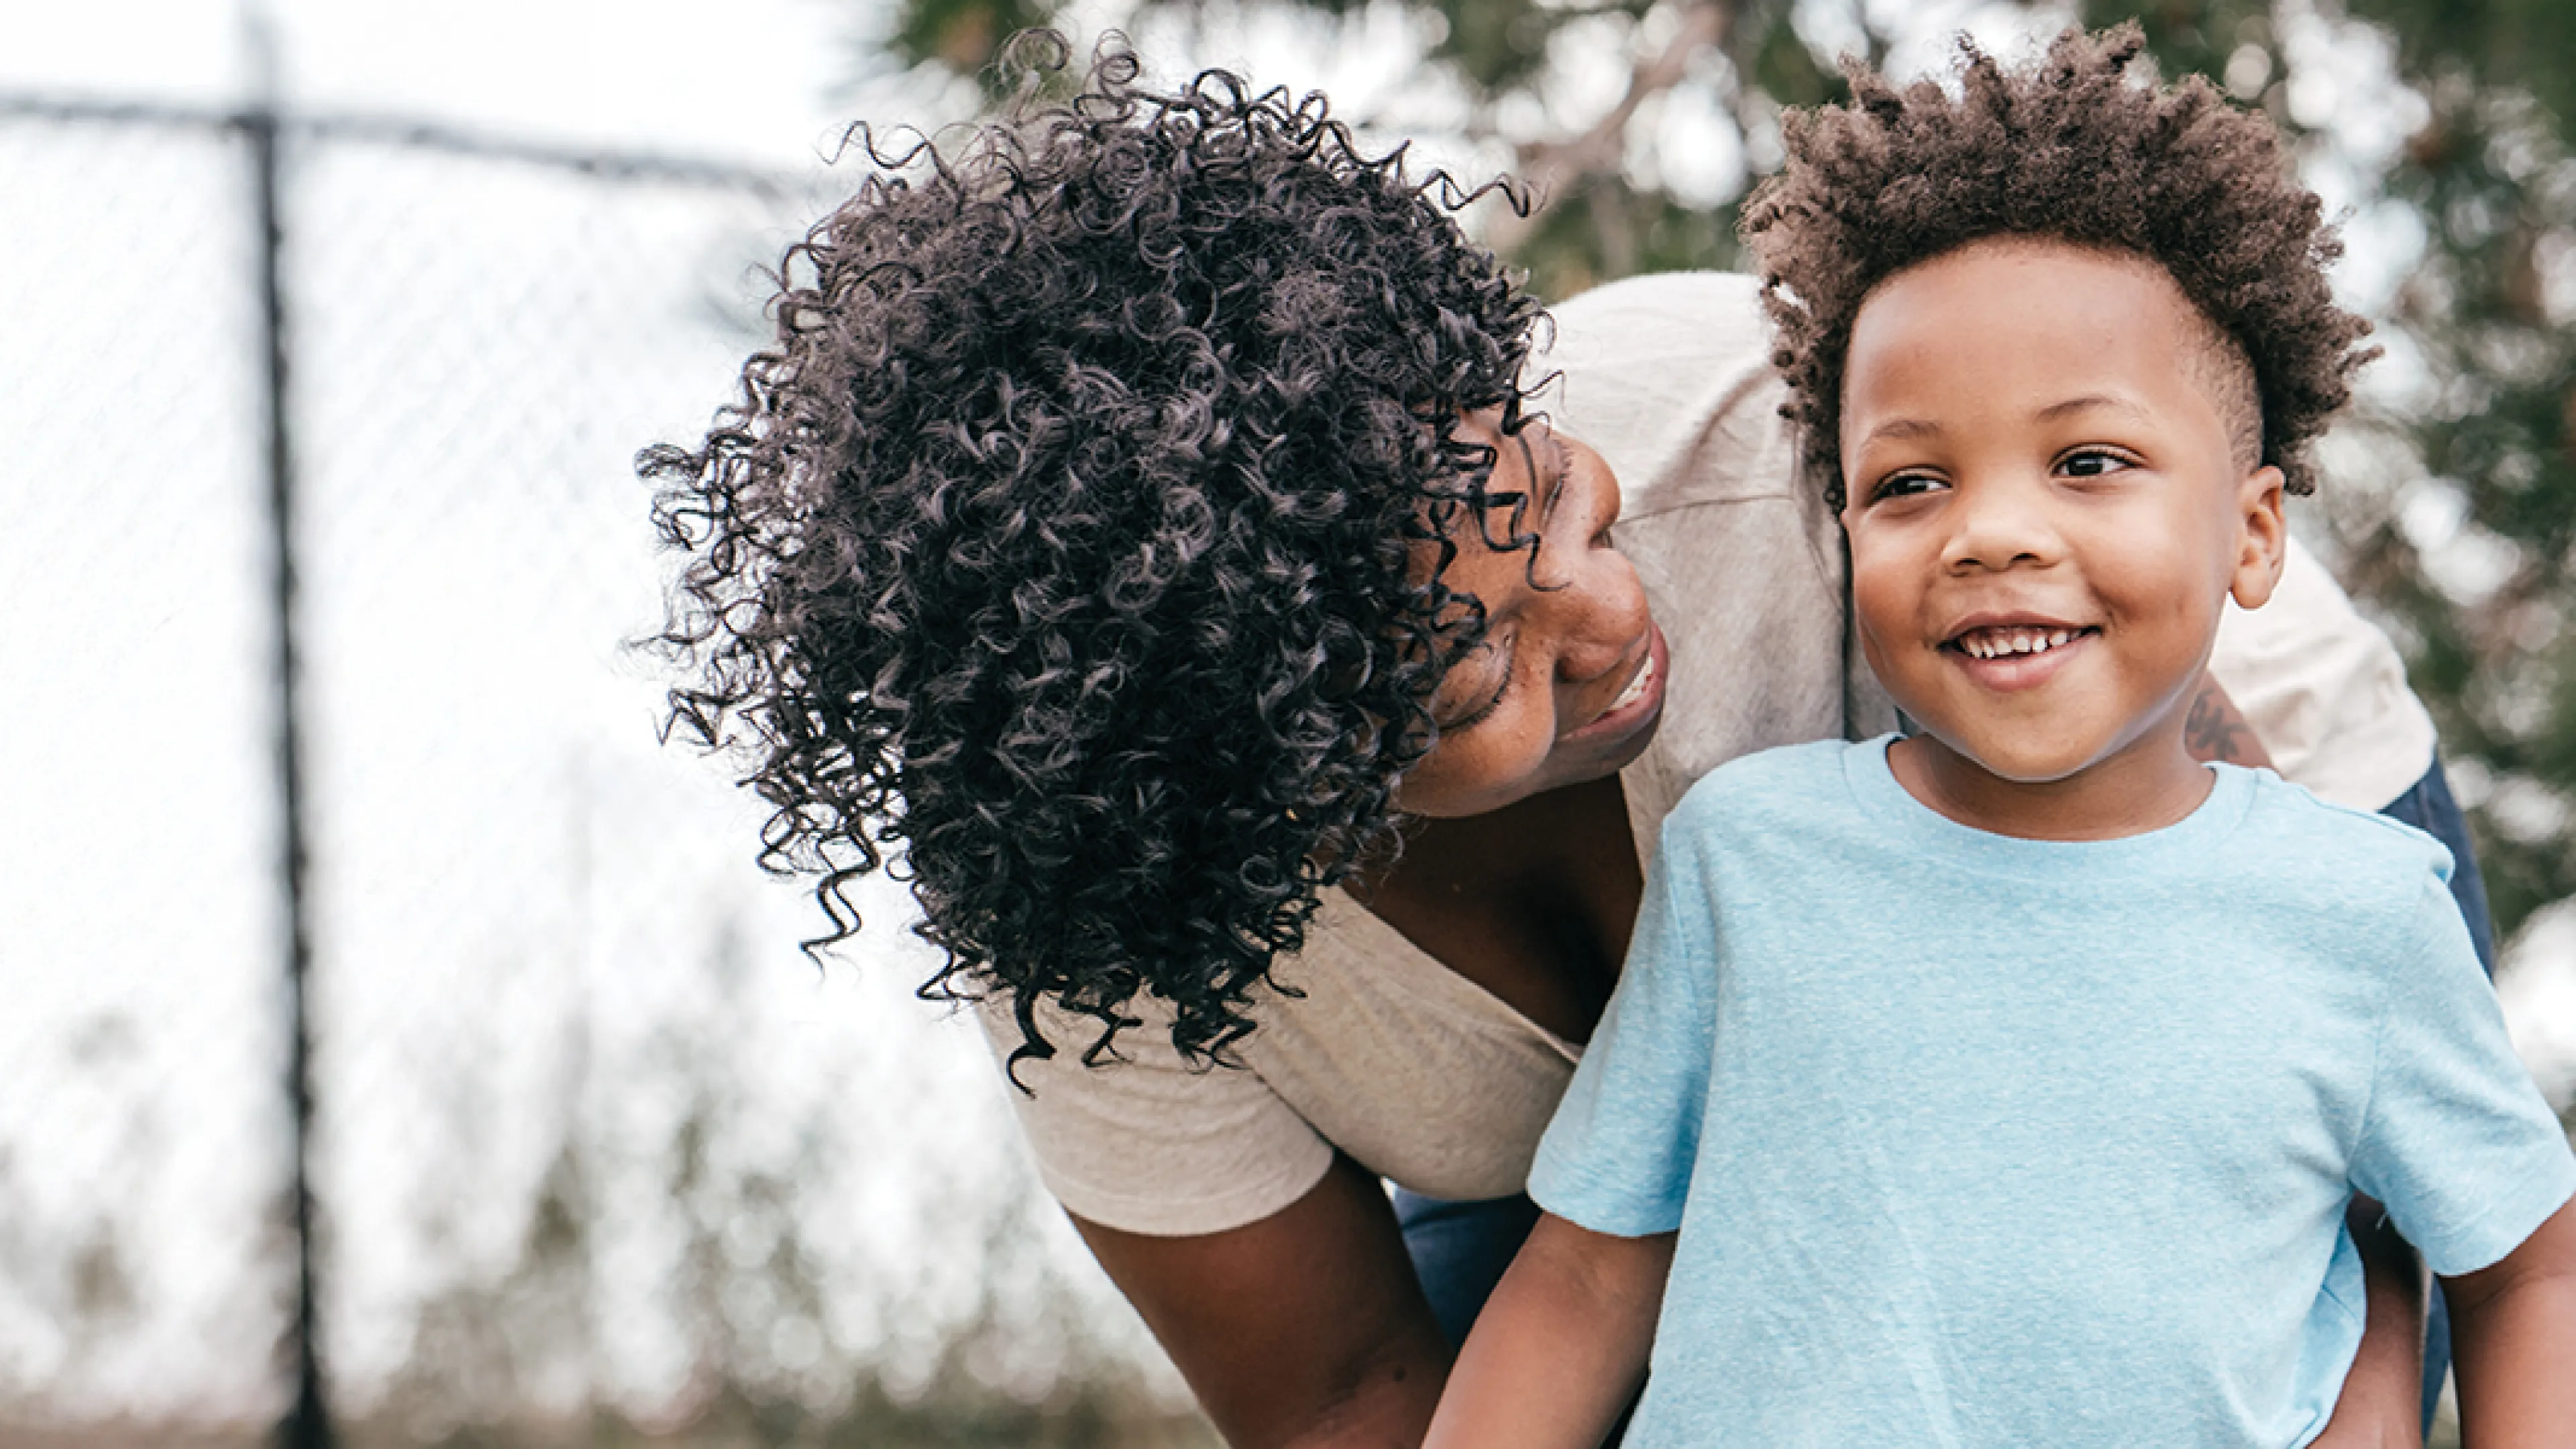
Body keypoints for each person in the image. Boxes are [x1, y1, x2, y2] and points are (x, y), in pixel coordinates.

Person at [645, 32, 2472, 1446]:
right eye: (1481, 676)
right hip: (1588, 1171)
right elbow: (1359, 1396)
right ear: (1277, 795)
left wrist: (2367, 1409)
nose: (1612, 624)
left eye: (1556, 507)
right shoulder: (1106, 930)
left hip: (2228, 849)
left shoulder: (1758, 446)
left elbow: (2277, 1077)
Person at [1427, 25, 2576, 1448]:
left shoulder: (2361, 918)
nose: (1992, 534)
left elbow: (2528, 1265)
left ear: (2256, 534)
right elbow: (1594, 1271)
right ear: (1842, 527)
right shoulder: (1748, 858)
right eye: (1910, 480)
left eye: (2088, 461)